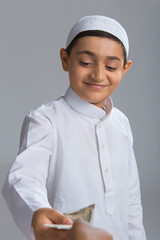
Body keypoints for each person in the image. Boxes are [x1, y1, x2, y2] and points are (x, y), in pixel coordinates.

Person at [2, 15, 146, 240]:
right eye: (86, 63)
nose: (98, 74)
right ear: (65, 59)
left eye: (111, 66)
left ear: (125, 69)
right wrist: (38, 212)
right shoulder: (46, 120)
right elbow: (23, 179)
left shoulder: (121, 123)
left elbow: (132, 203)